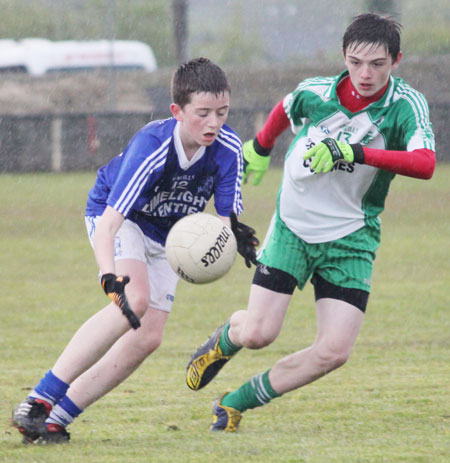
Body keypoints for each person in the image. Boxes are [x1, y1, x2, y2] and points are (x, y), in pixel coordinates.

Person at [186, 14, 436, 432]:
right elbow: (286, 108)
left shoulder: (405, 106)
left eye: (377, 64)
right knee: (258, 334)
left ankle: (234, 402)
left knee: (334, 351)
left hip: (353, 237)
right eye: (356, 62)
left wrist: (354, 152)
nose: (365, 73)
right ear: (343, 56)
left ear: (397, 61)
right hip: (293, 228)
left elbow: (425, 164)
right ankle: (229, 335)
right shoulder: (316, 92)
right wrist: (262, 147)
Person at [12, 57, 259, 444]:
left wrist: (235, 239)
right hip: (118, 217)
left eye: (222, 112)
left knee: (147, 338)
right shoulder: (152, 146)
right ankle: (38, 400)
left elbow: (224, 221)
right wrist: (107, 276)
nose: (214, 123)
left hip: (169, 237)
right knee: (135, 300)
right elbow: (110, 223)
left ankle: (55, 420)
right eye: (203, 113)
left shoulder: (227, 149)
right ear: (177, 111)